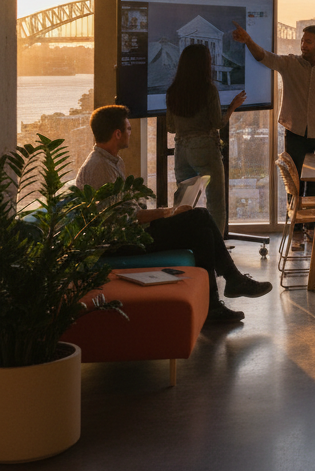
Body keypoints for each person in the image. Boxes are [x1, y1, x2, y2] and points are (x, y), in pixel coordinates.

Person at [76, 105, 271, 324]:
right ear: (117, 134)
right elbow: (123, 219)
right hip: (119, 242)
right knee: (200, 218)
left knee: (202, 231)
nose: (131, 132)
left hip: (129, 233)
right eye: (129, 128)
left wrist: (166, 214)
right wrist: (169, 212)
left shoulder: (112, 162)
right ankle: (231, 283)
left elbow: (127, 210)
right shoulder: (100, 168)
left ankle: (215, 304)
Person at [233, 22, 315, 201]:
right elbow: (264, 57)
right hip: (294, 134)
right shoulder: (289, 63)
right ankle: (296, 227)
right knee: (294, 185)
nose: (303, 45)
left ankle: (311, 226)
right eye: (302, 41)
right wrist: (248, 41)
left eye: (308, 42)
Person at [165, 43, 246, 235]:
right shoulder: (209, 89)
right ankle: (215, 247)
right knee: (215, 201)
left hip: (181, 148)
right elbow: (218, 122)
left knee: (183, 202)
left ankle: (182, 242)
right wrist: (232, 107)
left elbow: (170, 127)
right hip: (205, 147)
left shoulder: (172, 91)